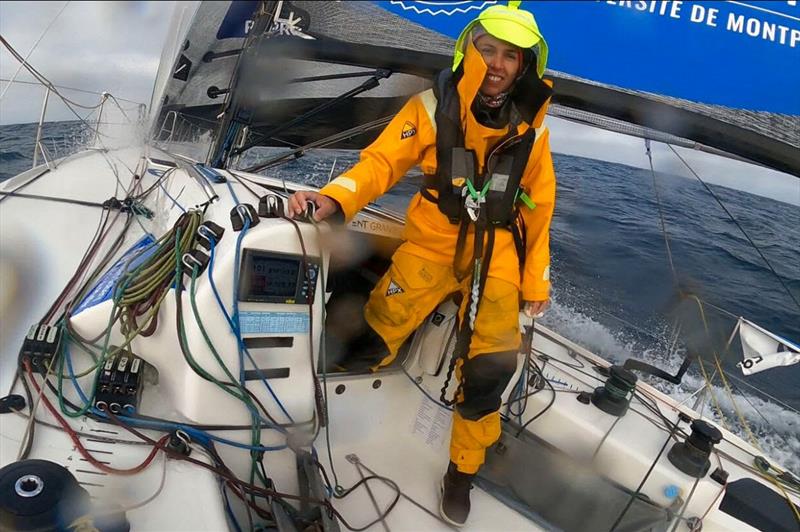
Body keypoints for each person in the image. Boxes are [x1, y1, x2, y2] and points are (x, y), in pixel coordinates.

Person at [288, 2, 555, 526]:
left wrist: (534, 278)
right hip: (432, 242)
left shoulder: (535, 130)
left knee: (488, 374)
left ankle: (462, 473)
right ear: (468, 50)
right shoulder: (430, 107)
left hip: (497, 253)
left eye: (511, 56)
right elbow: (381, 163)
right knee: (376, 328)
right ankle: (316, 412)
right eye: (488, 49)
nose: (498, 64)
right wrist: (335, 199)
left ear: (526, 67)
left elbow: (540, 206)